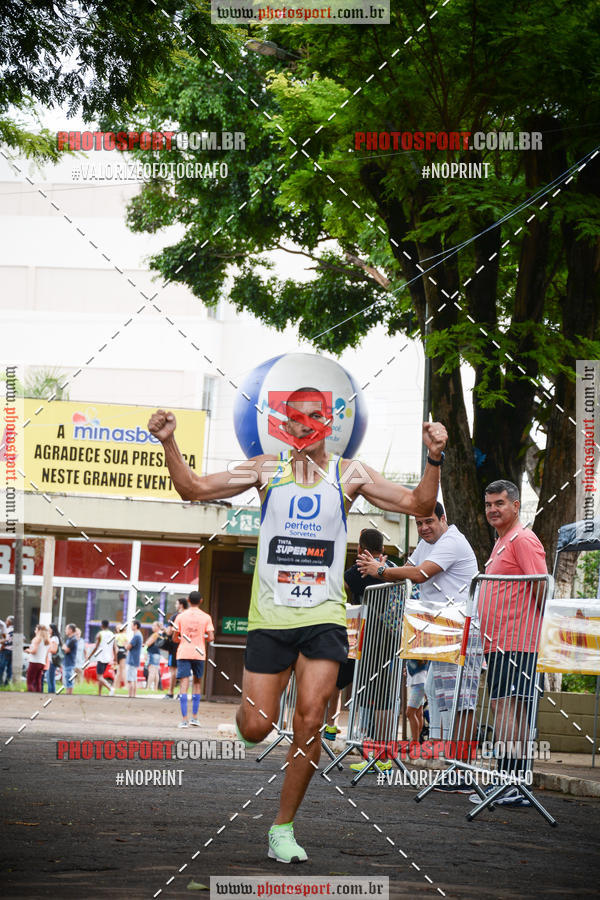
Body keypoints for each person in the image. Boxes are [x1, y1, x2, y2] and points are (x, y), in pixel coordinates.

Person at [148, 395, 446, 863]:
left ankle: (282, 828)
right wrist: (169, 442)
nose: (303, 428)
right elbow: (195, 489)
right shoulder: (266, 470)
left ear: (329, 424)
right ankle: (250, 719)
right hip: (271, 618)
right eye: (294, 420)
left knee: (310, 719)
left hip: (324, 616)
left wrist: (434, 456)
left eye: (313, 419)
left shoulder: (350, 474)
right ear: (283, 426)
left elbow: (419, 503)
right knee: (257, 725)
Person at [358, 501, 482, 792]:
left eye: (429, 521)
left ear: (444, 518)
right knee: (442, 704)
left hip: (461, 631)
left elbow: (419, 574)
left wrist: (380, 570)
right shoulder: (429, 543)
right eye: (419, 523)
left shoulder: (451, 541)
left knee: (460, 703)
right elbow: (409, 567)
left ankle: (463, 772)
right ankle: (453, 768)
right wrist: (380, 569)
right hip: (439, 634)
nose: (424, 528)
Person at [468, 479, 548, 808]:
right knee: (507, 707)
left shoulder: (523, 539)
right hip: (500, 643)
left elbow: (542, 588)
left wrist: (533, 633)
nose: (492, 510)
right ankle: (509, 781)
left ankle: (511, 783)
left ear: (516, 505)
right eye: (488, 505)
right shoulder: (503, 541)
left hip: (517, 643)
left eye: (499, 503)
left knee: (509, 708)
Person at [173, 591, 214, 727]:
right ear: (201, 600)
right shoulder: (206, 617)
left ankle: (184, 719)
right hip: (199, 653)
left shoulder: (180, 616)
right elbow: (211, 637)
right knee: (197, 684)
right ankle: (194, 718)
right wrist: (202, 637)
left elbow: (174, 637)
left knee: (184, 685)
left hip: (184, 652)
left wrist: (183, 638)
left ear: (188, 600)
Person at [163, 598, 189, 699]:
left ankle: (170, 692)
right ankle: (181, 693)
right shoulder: (189, 616)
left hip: (175, 646)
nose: (175, 605)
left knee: (173, 669)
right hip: (187, 644)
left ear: (181, 605)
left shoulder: (175, 616)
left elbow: (169, 632)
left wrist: (163, 630)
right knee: (184, 669)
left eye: (176, 603)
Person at [86, 620, 115, 696]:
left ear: (102, 625)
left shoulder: (100, 634)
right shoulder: (112, 634)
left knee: (99, 677)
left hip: (101, 657)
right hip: (108, 657)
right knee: (101, 676)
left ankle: (110, 688)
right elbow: (114, 647)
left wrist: (89, 656)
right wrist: (115, 658)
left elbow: (96, 646)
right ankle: (99, 693)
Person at [25, 624, 49, 692]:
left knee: (30, 681)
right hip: (42, 662)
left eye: (36, 629)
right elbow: (46, 654)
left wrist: (28, 650)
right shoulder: (47, 641)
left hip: (34, 662)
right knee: (38, 680)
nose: (35, 630)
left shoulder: (37, 639)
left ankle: (31, 694)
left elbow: (34, 651)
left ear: (38, 630)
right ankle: (38, 695)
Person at [126, 621, 143, 698]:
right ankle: (133, 695)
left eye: (132, 625)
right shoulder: (139, 635)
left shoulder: (136, 636)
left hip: (132, 659)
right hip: (135, 659)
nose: (131, 627)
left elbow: (128, 647)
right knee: (134, 678)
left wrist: (125, 643)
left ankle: (130, 695)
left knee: (130, 679)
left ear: (136, 626)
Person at [145, 621, 163, 692]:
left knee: (152, 670)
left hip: (152, 653)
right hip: (157, 653)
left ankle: (148, 687)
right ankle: (155, 688)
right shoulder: (161, 634)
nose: (152, 627)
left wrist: (146, 643)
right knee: (156, 671)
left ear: (158, 627)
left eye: (153, 626)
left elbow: (148, 643)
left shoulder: (155, 634)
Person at [61, 624, 78, 694]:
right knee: (68, 680)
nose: (65, 631)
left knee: (69, 680)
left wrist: (63, 647)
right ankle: (68, 694)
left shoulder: (73, 640)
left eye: (66, 629)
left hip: (69, 663)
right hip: (68, 662)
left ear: (70, 630)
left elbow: (66, 650)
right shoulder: (70, 639)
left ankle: (68, 695)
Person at [46, 623, 61, 694]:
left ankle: (51, 693)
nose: (48, 630)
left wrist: (47, 649)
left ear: (52, 629)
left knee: (50, 679)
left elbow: (54, 650)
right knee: (50, 678)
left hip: (52, 661)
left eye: (49, 628)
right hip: (50, 661)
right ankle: (52, 692)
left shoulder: (54, 638)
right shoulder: (52, 638)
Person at [0, 615, 14, 685]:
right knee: (9, 669)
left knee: (1, 667)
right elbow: (23, 639)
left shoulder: (7, 630)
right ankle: (7, 684)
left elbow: (6, 641)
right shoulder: (17, 631)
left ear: (9, 622)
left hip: (5, 651)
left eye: (6, 620)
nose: (6, 622)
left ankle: (0, 683)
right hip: (13, 652)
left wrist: (1, 647)